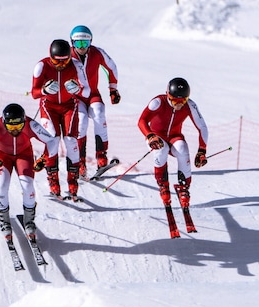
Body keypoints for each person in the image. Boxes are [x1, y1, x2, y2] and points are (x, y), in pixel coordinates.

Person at [0, 103, 58, 242]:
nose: (15, 130)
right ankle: (4, 221)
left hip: (24, 155)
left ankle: (29, 222)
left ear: (24, 121)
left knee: (28, 186)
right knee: (1, 187)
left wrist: (44, 159)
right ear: (5, 123)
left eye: (18, 126)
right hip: (2, 155)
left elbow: (52, 141)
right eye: (11, 127)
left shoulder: (30, 125)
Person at [31, 39, 90, 201]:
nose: (61, 65)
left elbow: (87, 92)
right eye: (57, 61)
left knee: (71, 141)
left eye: (65, 61)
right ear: (51, 57)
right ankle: (54, 184)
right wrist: (44, 90)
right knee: (52, 140)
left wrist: (78, 89)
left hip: (69, 106)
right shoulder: (41, 66)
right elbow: (34, 93)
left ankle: (73, 184)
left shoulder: (76, 65)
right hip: (49, 107)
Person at [137, 77, 209, 210]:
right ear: (168, 96)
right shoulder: (158, 102)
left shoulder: (190, 106)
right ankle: (163, 184)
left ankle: (184, 187)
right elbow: (142, 120)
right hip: (156, 137)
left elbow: (202, 127)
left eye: (184, 100)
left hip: (175, 137)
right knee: (161, 149)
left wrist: (202, 151)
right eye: (176, 100)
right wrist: (150, 135)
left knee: (182, 149)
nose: (180, 104)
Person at [69, 25, 120, 178]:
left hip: (92, 94)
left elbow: (112, 67)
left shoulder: (97, 53)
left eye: (86, 43)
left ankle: (101, 156)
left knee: (99, 113)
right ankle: (80, 161)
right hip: (75, 97)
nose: (82, 47)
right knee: (82, 121)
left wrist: (113, 89)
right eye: (78, 44)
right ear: (72, 43)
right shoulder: (68, 55)